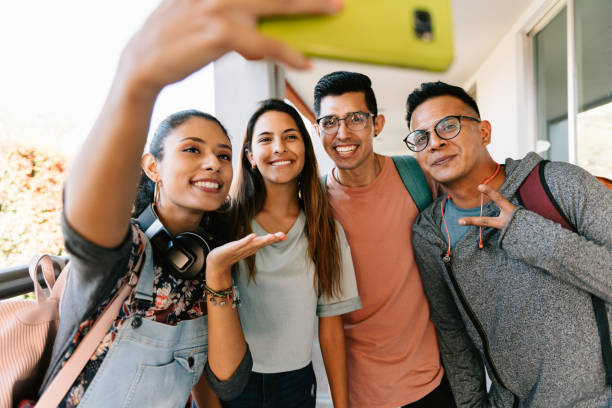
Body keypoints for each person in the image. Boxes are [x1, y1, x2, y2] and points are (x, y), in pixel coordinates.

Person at [35, 0, 344, 406]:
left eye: (223, 154)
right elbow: (82, 218)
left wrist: (216, 275)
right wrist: (137, 80)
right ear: (152, 166)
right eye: (192, 150)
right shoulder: (121, 248)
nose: (213, 163)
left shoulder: (212, 253)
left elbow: (228, 381)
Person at [407, 81, 612, 407]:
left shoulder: (558, 183)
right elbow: (452, 331)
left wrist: (525, 230)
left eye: (448, 126)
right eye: (421, 137)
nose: (434, 143)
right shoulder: (431, 232)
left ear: (484, 132)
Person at [313, 71, 464, 407]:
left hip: (433, 381)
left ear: (376, 124)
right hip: (360, 392)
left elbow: (475, 195)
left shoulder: (417, 175)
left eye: (355, 118)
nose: (342, 133)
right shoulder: (313, 204)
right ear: (318, 129)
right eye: (330, 122)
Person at [225, 99, 360, 408]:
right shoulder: (226, 226)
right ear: (249, 157)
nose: (279, 147)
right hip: (233, 382)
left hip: (296, 384)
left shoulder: (326, 230)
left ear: (305, 150)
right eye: (265, 139)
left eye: (290, 136)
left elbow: (331, 329)